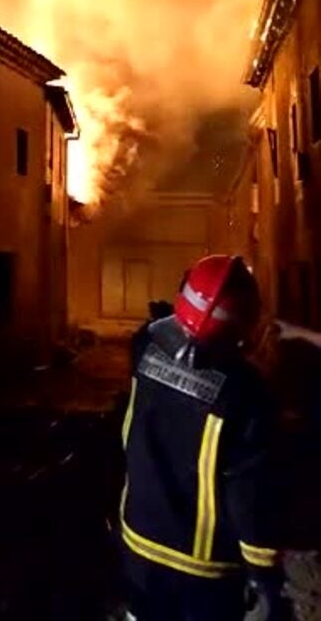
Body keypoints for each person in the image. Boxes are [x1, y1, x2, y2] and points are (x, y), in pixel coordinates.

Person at [120, 254, 291, 621]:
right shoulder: (249, 395)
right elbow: (248, 492)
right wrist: (263, 572)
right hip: (203, 568)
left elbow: (169, 341)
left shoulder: (143, 347)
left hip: (138, 542)